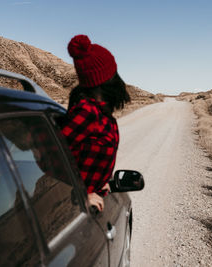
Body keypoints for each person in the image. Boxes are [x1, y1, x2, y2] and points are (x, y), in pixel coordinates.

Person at [60, 34, 130, 212]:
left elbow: (82, 159)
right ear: (106, 80)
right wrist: (83, 192)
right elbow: (55, 155)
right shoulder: (87, 112)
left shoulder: (100, 114)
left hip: (92, 200)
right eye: (114, 73)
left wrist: (101, 183)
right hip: (72, 206)